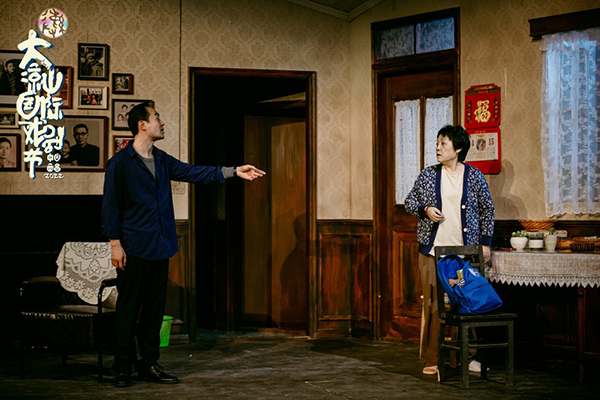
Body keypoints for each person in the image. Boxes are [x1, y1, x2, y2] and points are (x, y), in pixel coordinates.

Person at [101, 100, 265, 388]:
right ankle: (123, 367)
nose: (162, 122)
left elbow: (194, 172)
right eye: (157, 118)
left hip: (160, 246)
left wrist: (233, 171)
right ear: (142, 125)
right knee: (129, 310)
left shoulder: (162, 160)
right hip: (133, 248)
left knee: (153, 311)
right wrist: (115, 244)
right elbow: (110, 206)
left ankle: (148, 364)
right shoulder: (120, 163)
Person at [404, 124, 495, 376]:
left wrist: (485, 243)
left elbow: (487, 209)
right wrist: (425, 210)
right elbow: (410, 202)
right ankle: (432, 357)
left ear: (458, 148)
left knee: (465, 301)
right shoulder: (428, 175)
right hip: (433, 250)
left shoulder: (474, 176)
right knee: (433, 304)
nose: (438, 148)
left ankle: (466, 357)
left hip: (465, 252)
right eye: (437, 143)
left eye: (443, 143)